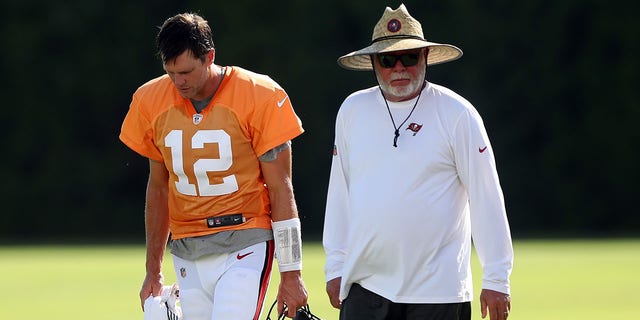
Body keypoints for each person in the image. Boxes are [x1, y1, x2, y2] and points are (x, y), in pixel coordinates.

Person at [323, 4, 514, 320]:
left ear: (424, 58)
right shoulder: (352, 110)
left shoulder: (457, 114)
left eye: (409, 57)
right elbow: (341, 192)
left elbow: (486, 197)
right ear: (374, 64)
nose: (399, 68)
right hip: (365, 287)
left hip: (439, 291)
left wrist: (496, 279)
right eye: (388, 59)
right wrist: (336, 264)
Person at [119, 12, 308, 319]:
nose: (179, 82)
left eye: (187, 72)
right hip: (187, 250)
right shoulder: (150, 100)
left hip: (245, 240)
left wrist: (292, 272)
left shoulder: (259, 95)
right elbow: (158, 187)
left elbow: (280, 187)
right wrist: (153, 270)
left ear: (210, 56)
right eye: (171, 73)